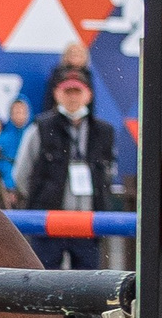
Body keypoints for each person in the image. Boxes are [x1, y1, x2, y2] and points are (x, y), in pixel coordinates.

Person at [13, 68, 121, 269]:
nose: (72, 98)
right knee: (43, 282)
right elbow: (22, 173)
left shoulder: (104, 132)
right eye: (67, 92)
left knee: (88, 286)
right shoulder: (41, 128)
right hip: (48, 221)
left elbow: (108, 174)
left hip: (88, 223)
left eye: (77, 92)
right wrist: (41, 199)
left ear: (88, 95)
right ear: (57, 94)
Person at [0, 96, 33, 200]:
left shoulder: (34, 135)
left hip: (31, 185)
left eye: (22, 112)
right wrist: (11, 186)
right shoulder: (3, 138)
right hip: (9, 187)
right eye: (16, 112)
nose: (20, 115)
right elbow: (3, 164)